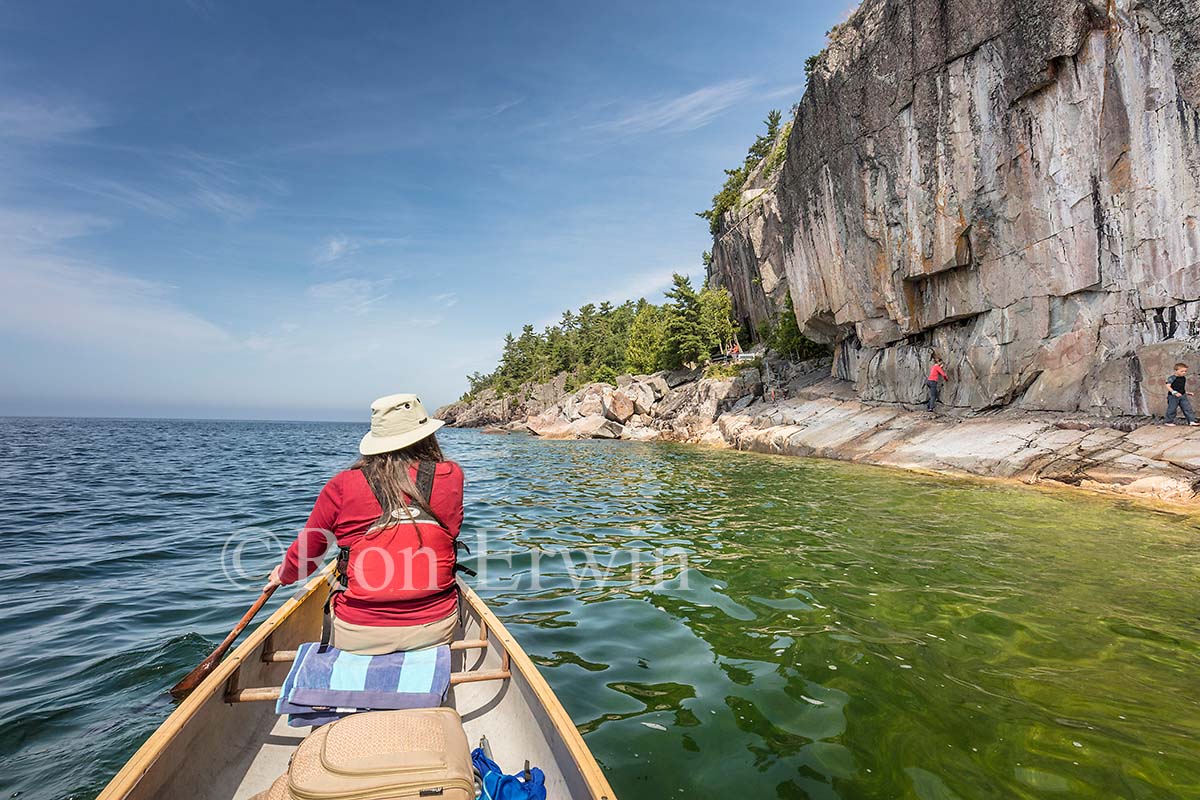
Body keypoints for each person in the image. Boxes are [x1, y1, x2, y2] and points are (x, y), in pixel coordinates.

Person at [264, 393, 464, 654]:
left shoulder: (342, 485)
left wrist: (283, 574)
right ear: (427, 435)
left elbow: (307, 555)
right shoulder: (452, 475)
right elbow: (450, 533)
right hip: (436, 625)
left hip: (359, 632)